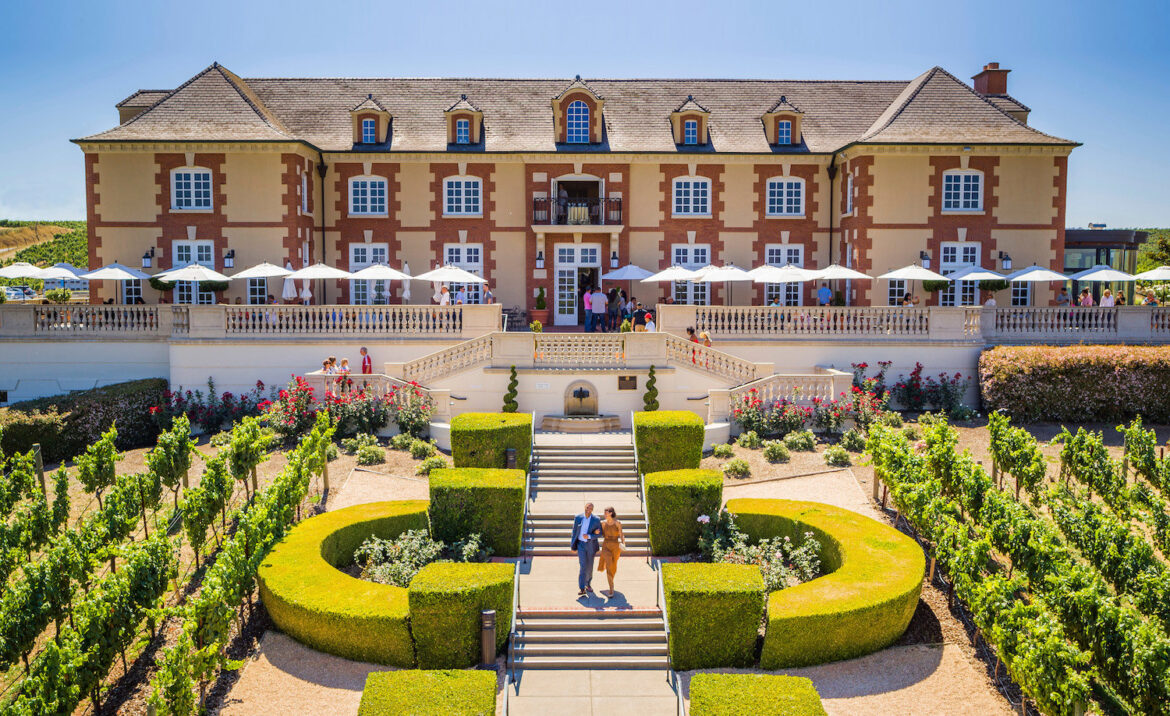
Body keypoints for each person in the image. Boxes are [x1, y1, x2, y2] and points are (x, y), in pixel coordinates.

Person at [569, 502, 602, 596]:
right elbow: (574, 532)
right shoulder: (578, 517)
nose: (588, 509)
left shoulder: (596, 519)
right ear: (584, 507)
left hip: (591, 545)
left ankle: (588, 584)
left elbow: (599, 533)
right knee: (583, 566)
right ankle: (582, 587)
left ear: (593, 510)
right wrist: (572, 545)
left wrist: (589, 536)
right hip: (580, 545)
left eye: (590, 508)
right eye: (587, 507)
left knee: (590, 566)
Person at [596, 507, 626, 598]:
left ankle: (611, 583)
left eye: (606, 512)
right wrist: (595, 532)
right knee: (609, 565)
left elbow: (621, 534)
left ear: (611, 513)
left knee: (613, 566)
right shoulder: (603, 523)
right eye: (604, 512)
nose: (605, 514)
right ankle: (611, 588)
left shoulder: (617, 523)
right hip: (606, 545)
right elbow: (598, 532)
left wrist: (623, 543)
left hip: (615, 546)